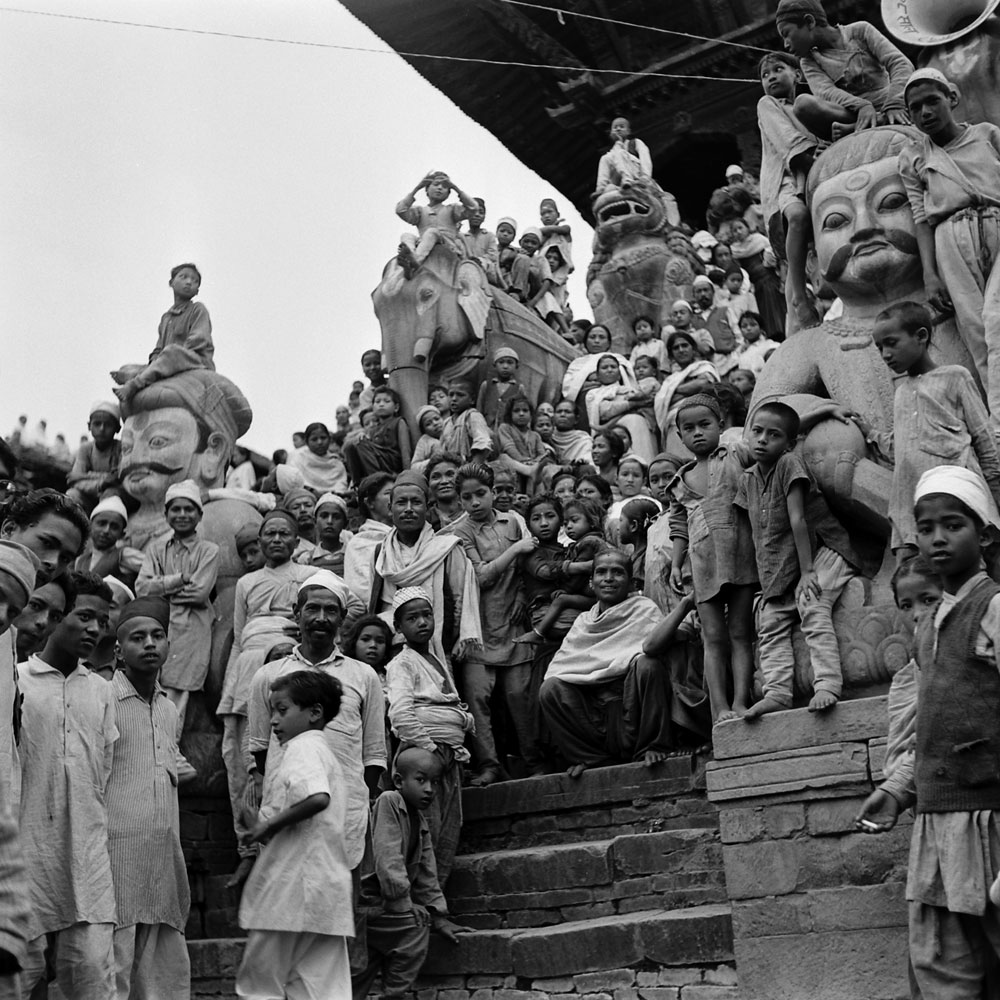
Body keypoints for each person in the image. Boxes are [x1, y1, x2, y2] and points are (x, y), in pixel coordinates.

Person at [852, 467, 1000, 996]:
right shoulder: (931, 630)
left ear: (984, 535)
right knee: (943, 971)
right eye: (926, 526)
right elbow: (934, 728)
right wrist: (897, 789)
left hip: (990, 825)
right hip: (939, 828)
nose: (937, 538)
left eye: (953, 525)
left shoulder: (993, 609)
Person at [248, 572, 387, 898]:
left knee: (339, 920)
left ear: (341, 617)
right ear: (297, 614)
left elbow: (373, 755)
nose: (321, 618)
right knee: (285, 915)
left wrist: (350, 798)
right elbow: (259, 752)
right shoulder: (268, 676)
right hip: (285, 812)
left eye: (330, 610)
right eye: (312, 609)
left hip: (343, 813)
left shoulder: (363, 676)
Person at [15, 572, 117, 1000]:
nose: (94, 629)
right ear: (57, 618)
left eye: (102, 621)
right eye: (84, 616)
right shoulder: (15, 680)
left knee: (92, 974)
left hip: (87, 861)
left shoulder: (102, 691)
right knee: (18, 977)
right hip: (23, 856)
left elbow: (104, 773)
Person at [236, 670, 354, 999]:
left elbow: (317, 798)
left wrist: (266, 826)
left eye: (282, 710)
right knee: (323, 987)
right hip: (326, 888)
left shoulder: (302, 748)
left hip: (293, 888)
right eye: (272, 710)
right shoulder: (322, 752)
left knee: (262, 984)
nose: (273, 721)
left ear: (314, 713)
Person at [738, 402, 859, 719]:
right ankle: (777, 693)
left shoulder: (789, 463)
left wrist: (807, 573)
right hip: (785, 566)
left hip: (823, 550)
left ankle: (828, 685)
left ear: (789, 443)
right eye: (757, 432)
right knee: (770, 622)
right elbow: (757, 535)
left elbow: (798, 520)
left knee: (812, 604)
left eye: (773, 435)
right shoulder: (748, 477)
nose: (763, 439)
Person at [540, 548, 707, 775]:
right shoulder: (583, 621)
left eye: (618, 573)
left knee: (648, 665)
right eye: (601, 572)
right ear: (591, 582)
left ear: (630, 582)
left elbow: (654, 650)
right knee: (550, 689)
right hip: (596, 719)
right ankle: (591, 758)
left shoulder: (643, 608)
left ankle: (653, 745)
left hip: (634, 713)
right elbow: (564, 670)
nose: (608, 578)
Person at [854, 301, 1000, 560]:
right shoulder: (901, 393)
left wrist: (993, 495)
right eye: (879, 348)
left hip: (957, 501)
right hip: (910, 507)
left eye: (891, 342)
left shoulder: (956, 377)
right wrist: (867, 431)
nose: (886, 354)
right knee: (916, 580)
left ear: (921, 336)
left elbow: (984, 440)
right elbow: (900, 448)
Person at [217, 509, 316, 885]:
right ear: (260, 542)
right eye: (269, 534)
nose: (276, 540)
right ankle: (249, 847)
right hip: (247, 667)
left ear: (295, 540)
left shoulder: (308, 577)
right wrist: (231, 691)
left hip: (289, 661)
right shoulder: (247, 583)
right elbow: (240, 638)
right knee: (240, 757)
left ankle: (287, 846)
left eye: (283, 533)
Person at [898, 68, 1000, 429]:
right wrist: (930, 274)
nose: (925, 112)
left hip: (996, 225)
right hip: (951, 241)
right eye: (915, 108)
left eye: (932, 101)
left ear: (952, 99)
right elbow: (921, 218)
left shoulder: (987, 135)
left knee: (996, 318)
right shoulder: (913, 158)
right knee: (978, 336)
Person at [106, 596, 192, 1000]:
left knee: (161, 965)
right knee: (114, 961)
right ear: (119, 651)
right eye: (138, 638)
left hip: (162, 851)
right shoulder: (103, 700)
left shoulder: (169, 709)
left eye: (158, 635)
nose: (150, 644)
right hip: (115, 853)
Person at [351, 747, 469, 1000]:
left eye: (435, 782)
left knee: (361, 970)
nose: (429, 789)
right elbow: (387, 856)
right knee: (413, 927)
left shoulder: (419, 819)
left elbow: (427, 871)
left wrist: (438, 914)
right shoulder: (389, 801)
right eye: (421, 779)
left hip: (384, 907)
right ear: (398, 781)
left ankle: (391, 992)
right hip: (369, 902)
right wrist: (403, 900)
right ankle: (393, 994)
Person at [668, 395, 758, 723]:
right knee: (713, 637)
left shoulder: (734, 454)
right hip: (703, 565)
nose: (698, 433)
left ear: (721, 426)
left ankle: (740, 701)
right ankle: (718, 706)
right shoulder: (679, 481)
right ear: (680, 437)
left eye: (705, 425)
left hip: (741, 555)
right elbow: (678, 528)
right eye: (688, 429)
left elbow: (768, 444)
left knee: (739, 631)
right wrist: (677, 565)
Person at [450, 464, 536, 786]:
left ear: (493, 492)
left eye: (480, 494)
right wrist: (515, 548)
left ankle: (533, 760)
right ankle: (489, 765)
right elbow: (482, 576)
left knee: (520, 697)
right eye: (466, 497)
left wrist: (523, 598)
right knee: (478, 701)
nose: (474, 503)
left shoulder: (513, 521)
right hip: (478, 629)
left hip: (513, 624)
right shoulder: (462, 532)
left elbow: (528, 568)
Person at [385, 589, 474, 881]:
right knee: (426, 830)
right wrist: (431, 750)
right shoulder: (402, 663)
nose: (422, 622)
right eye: (412, 618)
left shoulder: (437, 660)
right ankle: (417, 906)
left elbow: (448, 699)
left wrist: (462, 723)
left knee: (450, 828)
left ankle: (436, 905)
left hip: (448, 755)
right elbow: (400, 713)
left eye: (427, 615)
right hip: (425, 757)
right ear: (399, 628)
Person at [370, 471, 481, 669]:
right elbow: (380, 605)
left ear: (428, 507)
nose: (409, 509)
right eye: (401, 502)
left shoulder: (446, 548)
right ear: (390, 508)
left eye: (416, 502)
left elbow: (458, 600)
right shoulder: (381, 552)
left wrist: (447, 641)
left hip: (439, 648)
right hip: (393, 649)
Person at [136, 480, 220, 726]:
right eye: (176, 509)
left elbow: (199, 594)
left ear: (199, 514)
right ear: (166, 514)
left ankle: (169, 757)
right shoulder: (156, 549)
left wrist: (161, 589)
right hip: (159, 626)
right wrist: (180, 579)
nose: (182, 515)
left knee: (175, 699)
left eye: (189, 509)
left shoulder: (209, 550)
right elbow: (142, 588)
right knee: (148, 691)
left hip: (191, 630)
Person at [775, 0, 913, 141]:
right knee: (803, 105)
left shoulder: (860, 31)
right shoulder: (809, 61)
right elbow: (826, 92)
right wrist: (862, 106)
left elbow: (899, 63)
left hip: (890, 102)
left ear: (810, 22)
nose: (785, 44)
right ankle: (874, 122)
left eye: (786, 34)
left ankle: (866, 125)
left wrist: (895, 102)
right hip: (853, 114)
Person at [756, 51, 821, 328]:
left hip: (815, 176)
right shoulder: (767, 104)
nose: (770, 77)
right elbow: (791, 147)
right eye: (764, 74)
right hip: (787, 181)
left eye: (777, 69)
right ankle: (797, 294)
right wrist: (822, 162)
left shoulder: (813, 105)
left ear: (798, 74)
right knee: (797, 216)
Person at [112, 263, 214, 406]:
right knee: (128, 368)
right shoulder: (166, 318)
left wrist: (171, 357)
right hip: (167, 360)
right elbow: (159, 348)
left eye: (194, 281)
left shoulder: (198, 309)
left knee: (172, 353)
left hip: (194, 360)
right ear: (171, 283)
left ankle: (134, 384)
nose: (189, 282)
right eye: (184, 277)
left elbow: (198, 340)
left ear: (197, 291)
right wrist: (155, 360)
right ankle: (143, 373)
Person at [515, 496, 604, 645]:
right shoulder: (530, 551)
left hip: (571, 611)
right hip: (546, 614)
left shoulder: (569, 549)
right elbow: (544, 571)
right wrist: (584, 566)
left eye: (550, 516)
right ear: (528, 525)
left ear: (560, 520)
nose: (544, 523)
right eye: (536, 518)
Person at [396, 171, 478, 278]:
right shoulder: (420, 211)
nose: (439, 188)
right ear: (427, 190)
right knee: (406, 235)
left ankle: (415, 261)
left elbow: (473, 208)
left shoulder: (452, 210)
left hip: (447, 244)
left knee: (432, 232)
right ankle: (410, 256)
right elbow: (400, 210)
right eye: (435, 185)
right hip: (423, 244)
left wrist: (455, 188)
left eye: (444, 187)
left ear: (448, 194)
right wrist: (417, 188)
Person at [653, 332, 721, 456]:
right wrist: (683, 389)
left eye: (684, 345)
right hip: (673, 425)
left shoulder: (704, 367)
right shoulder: (671, 380)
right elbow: (661, 401)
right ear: (671, 354)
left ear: (693, 349)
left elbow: (703, 384)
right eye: (676, 347)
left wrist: (673, 392)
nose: (681, 350)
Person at [585, 354, 658, 465]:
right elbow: (605, 411)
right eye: (605, 367)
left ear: (619, 374)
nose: (609, 370)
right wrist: (634, 405)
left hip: (636, 426)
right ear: (598, 375)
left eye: (613, 367)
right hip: (609, 432)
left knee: (637, 419)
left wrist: (630, 406)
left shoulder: (631, 390)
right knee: (633, 418)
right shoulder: (593, 394)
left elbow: (648, 404)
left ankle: (644, 464)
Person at [343, 386, 411, 483]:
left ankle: (377, 480)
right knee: (350, 446)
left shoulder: (398, 422)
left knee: (361, 444)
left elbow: (405, 450)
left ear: (396, 407)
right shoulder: (373, 429)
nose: (381, 404)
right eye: (377, 402)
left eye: (386, 401)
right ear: (373, 407)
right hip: (377, 461)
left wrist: (407, 475)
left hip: (392, 462)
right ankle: (357, 484)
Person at [344, 473, 395, 601]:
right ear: (370, 502)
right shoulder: (359, 544)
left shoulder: (407, 537)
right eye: (388, 493)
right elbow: (361, 589)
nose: (396, 498)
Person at [66, 400, 123, 510]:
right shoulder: (85, 449)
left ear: (117, 429)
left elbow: (116, 479)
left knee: (111, 493)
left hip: (111, 495)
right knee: (72, 494)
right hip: (90, 495)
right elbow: (74, 480)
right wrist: (102, 483)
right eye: (97, 424)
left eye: (108, 425)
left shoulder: (120, 448)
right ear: (89, 426)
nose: (102, 429)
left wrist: (84, 476)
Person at [73, 494, 136, 587]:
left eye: (114, 527)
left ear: (121, 534)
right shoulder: (80, 560)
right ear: (89, 525)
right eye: (101, 523)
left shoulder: (124, 555)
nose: (106, 530)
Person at [497, 395, 553, 493]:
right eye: (516, 411)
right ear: (510, 414)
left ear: (531, 415)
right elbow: (508, 447)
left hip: (533, 464)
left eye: (525, 410)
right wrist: (523, 460)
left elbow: (541, 453)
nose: (521, 414)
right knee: (503, 457)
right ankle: (529, 470)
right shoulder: (505, 428)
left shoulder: (535, 435)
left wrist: (535, 461)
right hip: (515, 464)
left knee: (540, 469)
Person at [517, 227, 568, 331]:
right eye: (526, 241)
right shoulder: (516, 254)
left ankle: (565, 330)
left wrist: (533, 301)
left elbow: (547, 281)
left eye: (534, 243)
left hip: (536, 298)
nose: (529, 245)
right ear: (520, 242)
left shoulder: (540, 260)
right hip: (518, 292)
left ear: (538, 246)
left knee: (547, 296)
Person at [595, 117, 652, 195]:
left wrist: (645, 177)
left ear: (628, 131)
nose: (618, 129)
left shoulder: (635, 142)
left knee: (620, 152)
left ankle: (627, 179)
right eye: (615, 128)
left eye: (622, 127)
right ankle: (601, 188)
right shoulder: (614, 150)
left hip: (635, 172)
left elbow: (645, 159)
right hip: (618, 177)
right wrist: (619, 142)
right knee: (604, 158)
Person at [289, 421, 349, 494]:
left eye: (323, 438)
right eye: (314, 439)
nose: (319, 442)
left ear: (329, 439)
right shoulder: (298, 458)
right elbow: (293, 483)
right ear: (306, 442)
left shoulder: (336, 463)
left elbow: (341, 488)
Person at [440, 380, 492, 465]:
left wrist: (472, 469)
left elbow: (483, 442)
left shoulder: (473, 416)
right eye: (451, 394)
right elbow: (442, 451)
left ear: (472, 400)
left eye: (460, 395)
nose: (454, 399)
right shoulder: (446, 422)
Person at [476, 348, 528, 431]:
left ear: (516, 366)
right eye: (501, 362)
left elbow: (524, 412)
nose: (505, 366)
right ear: (495, 365)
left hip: (509, 433)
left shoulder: (519, 388)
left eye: (510, 362)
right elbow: (479, 410)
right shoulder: (486, 385)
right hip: (487, 431)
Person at [310, 493, 354, 576]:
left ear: (346, 524)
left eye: (336, 517)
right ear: (314, 521)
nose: (329, 521)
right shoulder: (306, 559)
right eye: (324, 516)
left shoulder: (354, 555)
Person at [462, 197, 500, 285]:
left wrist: (479, 261)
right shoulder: (462, 237)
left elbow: (493, 256)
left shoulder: (489, 236)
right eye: (473, 212)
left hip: (486, 274)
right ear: (466, 214)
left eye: (481, 212)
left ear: (484, 217)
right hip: (466, 272)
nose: (477, 215)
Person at [733, 312, 780, 376]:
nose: (748, 328)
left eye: (753, 325)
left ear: (761, 328)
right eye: (744, 326)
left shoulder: (771, 346)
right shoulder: (739, 352)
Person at [550, 400, 594, 466]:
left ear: (576, 419)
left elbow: (588, 465)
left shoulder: (583, 441)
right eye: (559, 412)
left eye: (567, 412)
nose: (562, 415)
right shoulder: (545, 437)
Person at [410, 405, 444, 476]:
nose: (435, 423)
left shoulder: (450, 433)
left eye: (437, 419)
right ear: (424, 430)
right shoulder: (424, 441)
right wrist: (433, 461)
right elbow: (414, 467)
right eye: (428, 424)